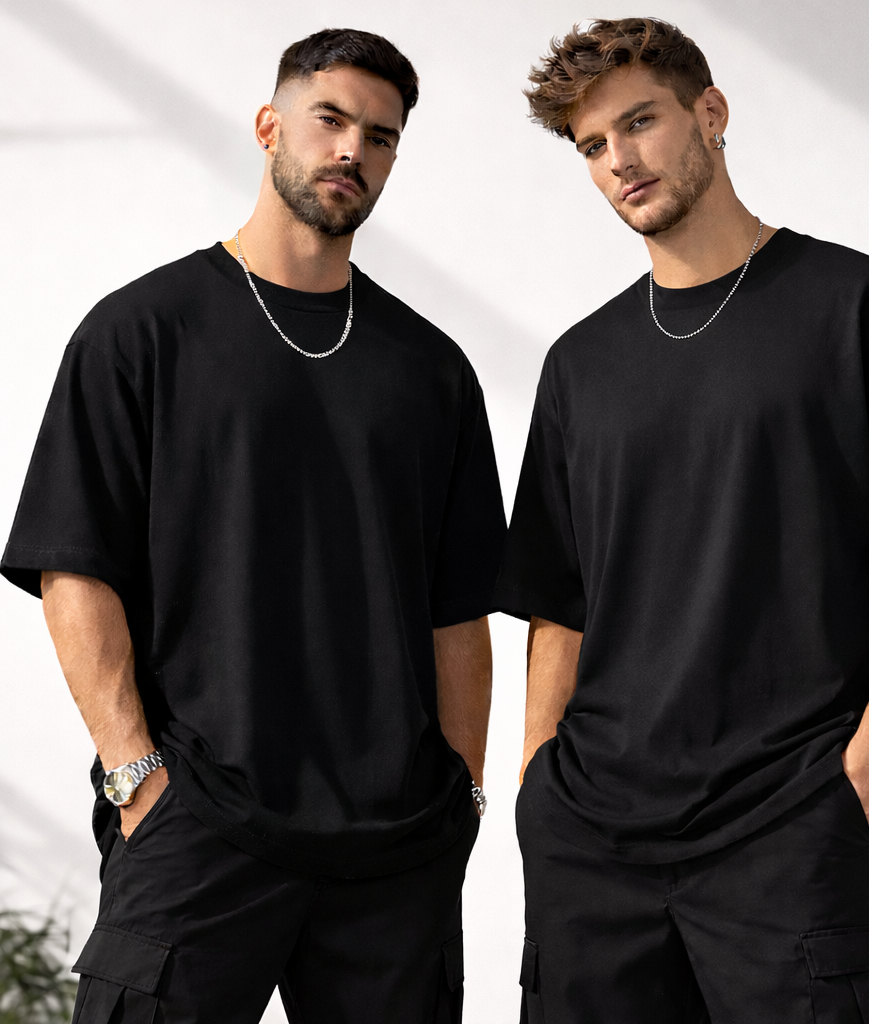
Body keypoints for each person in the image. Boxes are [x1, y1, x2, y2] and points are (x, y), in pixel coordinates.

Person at [495, 17, 869, 1024]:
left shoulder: (865, 308)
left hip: (792, 820)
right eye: (592, 145)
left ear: (710, 112)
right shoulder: (579, 366)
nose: (619, 161)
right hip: (594, 850)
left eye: (639, 122)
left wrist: (866, 767)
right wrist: (535, 784)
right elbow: (558, 600)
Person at [1, 28, 505, 1024]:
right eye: (330, 119)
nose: (352, 149)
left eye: (380, 136)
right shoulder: (140, 332)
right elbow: (74, 568)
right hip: (195, 817)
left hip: (393, 844)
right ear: (270, 125)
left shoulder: (431, 370)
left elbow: (458, 610)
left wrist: (463, 799)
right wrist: (135, 774)